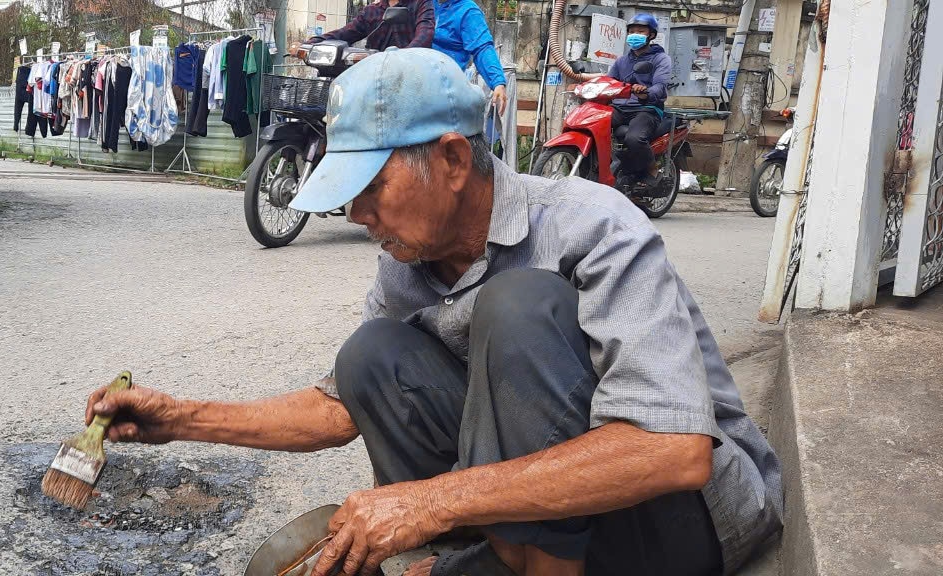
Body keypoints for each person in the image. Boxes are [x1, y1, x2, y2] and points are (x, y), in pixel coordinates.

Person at [84, 48, 781, 576]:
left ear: (452, 159)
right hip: (572, 525)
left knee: (519, 308)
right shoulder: (406, 262)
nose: (356, 214)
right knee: (372, 355)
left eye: (372, 188)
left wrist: (429, 503)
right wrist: (180, 419)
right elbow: (337, 408)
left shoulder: (592, 224)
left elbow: (675, 450)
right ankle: (500, 557)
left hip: (686, 524)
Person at [604, 13, 673, 189]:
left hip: (647, 108)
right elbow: (609, 82)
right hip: (620, 107)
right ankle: (600, 167)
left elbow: (660, 86)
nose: (635, 34)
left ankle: (651, 170)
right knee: (594, 123)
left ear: (651, 35)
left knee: (634, 138)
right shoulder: (621, 61)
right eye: (632, 31)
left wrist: (646, 93)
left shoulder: (660, 59)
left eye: (640, 31)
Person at [432, 0, 508, 116]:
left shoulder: (468, 11)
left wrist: (497, 82)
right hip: (416, 82)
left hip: (447, 90)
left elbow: (482, 48)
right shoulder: (424, 4)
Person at [291, 0, 435, 56]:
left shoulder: (421, 4)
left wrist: (405, 56)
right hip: (373, 74)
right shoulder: (371, 11)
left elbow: (425, 34)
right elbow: (345, 33)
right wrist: (310, 43)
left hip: (410, 73)